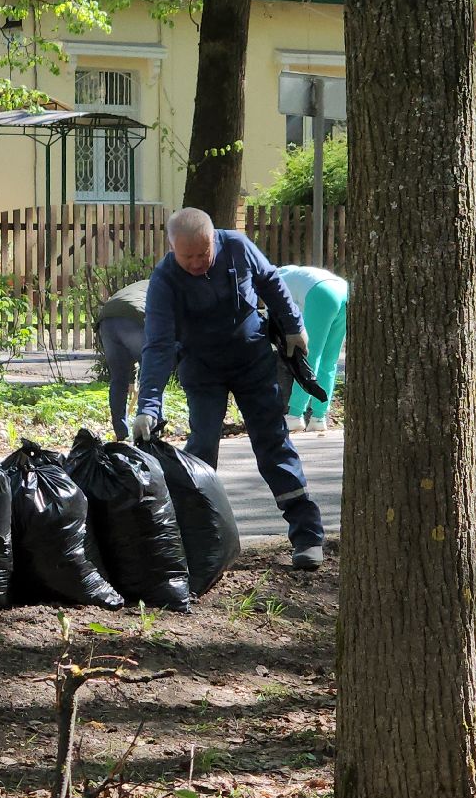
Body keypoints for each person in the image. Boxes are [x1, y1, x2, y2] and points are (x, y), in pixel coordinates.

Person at [130, 207, 325, 570]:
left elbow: (270, 281)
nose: (197, 263)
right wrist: (148, 407)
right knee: (202, 449)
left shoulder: (236, 245)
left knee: (273, 443)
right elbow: (157, 345)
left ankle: (307, 535)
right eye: (187, 256)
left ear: (213, 240)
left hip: (252, 360)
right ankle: (201, 540)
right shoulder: (165, 279)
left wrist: (294, 325)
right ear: (171, 248)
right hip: (201, 369)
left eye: (203, 254)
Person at [276, 265, 349, 431]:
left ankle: (295, 414)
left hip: (321, 293)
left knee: (309, 355)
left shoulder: (273, 282)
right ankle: (319, 418)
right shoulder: (293, 273)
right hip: (344, 291)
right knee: (329, 360)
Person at [96, 280, 149, 440]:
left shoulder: (141, 285)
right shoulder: (165, 284)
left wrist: (132, 380)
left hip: (106, 319)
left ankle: (122, 434)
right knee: (151, 373)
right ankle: (150, 433)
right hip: (133, 317)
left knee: (118, 379)